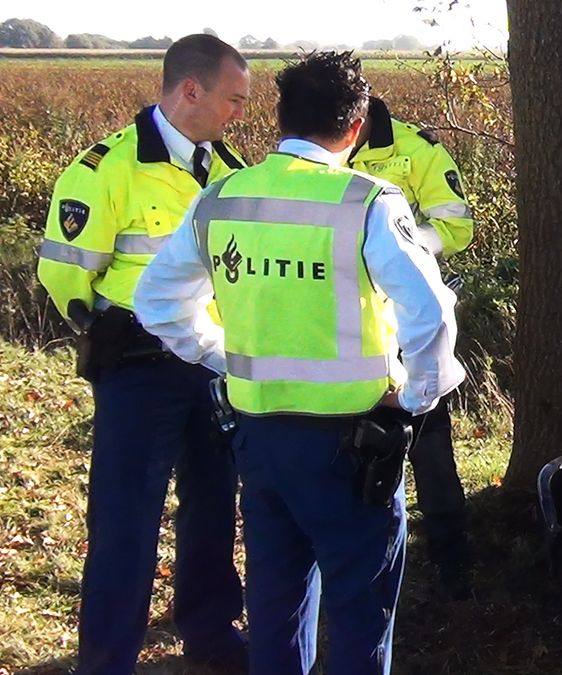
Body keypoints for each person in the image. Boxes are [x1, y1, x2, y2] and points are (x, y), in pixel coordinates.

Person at [134, 50, 465, 674]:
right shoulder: (366, 201)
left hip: (258, 440)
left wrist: (221, 356)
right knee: (361, 614)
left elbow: (156, 302)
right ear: (357, 123)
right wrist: (418, 396)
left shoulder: (224, 197)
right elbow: (432, 314)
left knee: (277, 609)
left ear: (281, 118)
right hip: (350, 445)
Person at [36, 34, 250, 674]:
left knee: (214, 507)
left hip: (212, 367)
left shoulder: (232, 173)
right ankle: (106, 660)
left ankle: (212, 636)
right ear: (192, 90)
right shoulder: (106, 170)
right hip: (137, 371)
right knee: (126, 519)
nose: (241, 113)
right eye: (233, 100)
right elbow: (65, 274)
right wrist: (104, 331)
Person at [349, 94, 475, 598]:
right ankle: (365, 555)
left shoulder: (416, 149)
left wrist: (395, 247)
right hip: (343, 321)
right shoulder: (317, 146)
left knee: (430, 443)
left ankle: (451, 559)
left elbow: (456, 226)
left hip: (406, 313)